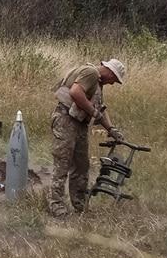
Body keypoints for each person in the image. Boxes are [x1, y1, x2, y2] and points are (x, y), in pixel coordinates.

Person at [48, 58, 127, 216]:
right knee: (63, 162)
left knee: (81, 166)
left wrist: (111, 129)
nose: (112, 83)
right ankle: (56, 205)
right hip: (66, 120)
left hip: (79, 123)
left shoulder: (97, 82)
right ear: (110, 72)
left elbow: (100, 110)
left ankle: (79, 205)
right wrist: (93, 113)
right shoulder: (90, 73)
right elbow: (75, 92)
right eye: (114, 79)